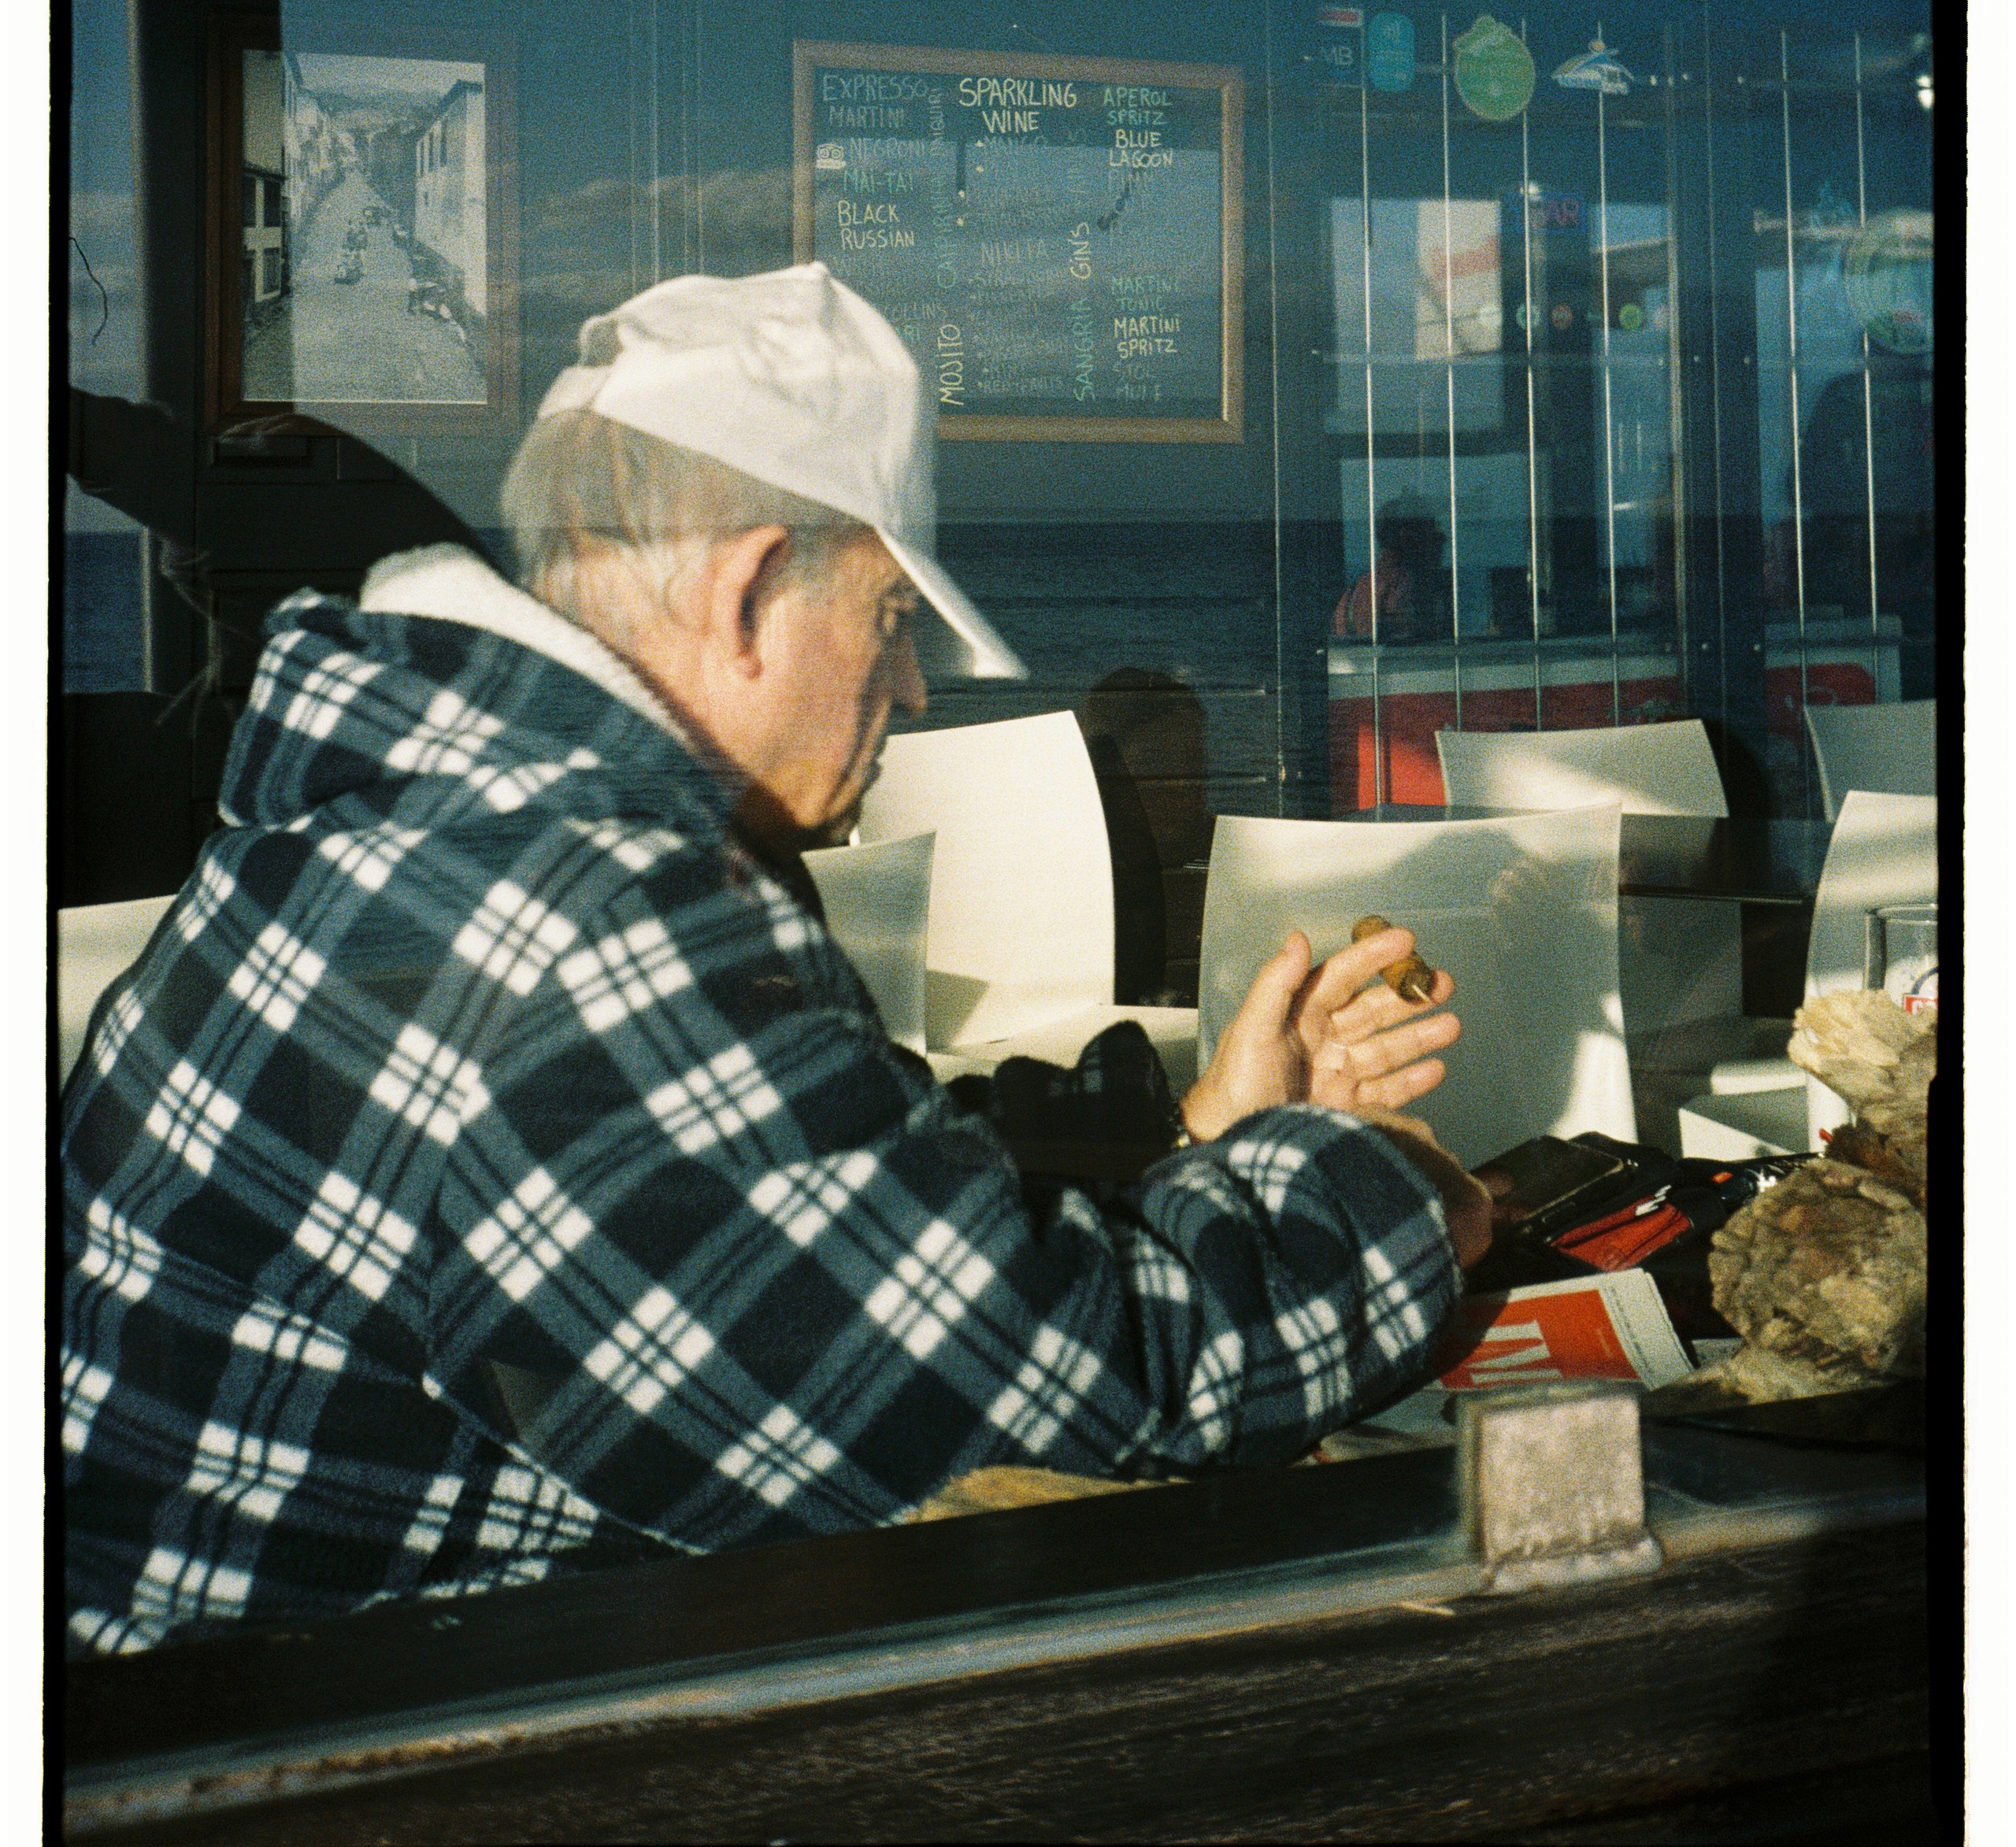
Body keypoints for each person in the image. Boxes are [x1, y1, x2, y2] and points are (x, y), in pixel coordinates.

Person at [63, 264, 1490, 1654]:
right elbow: (1056, 1399)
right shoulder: (583, 917)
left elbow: (800, 1175)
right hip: (337, 1770)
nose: (912, 687)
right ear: (750, 591)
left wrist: (1205, 1126)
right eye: (891, 618)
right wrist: (1392, 1194)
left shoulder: (409, 824)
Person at [1335, 498, 1454, 642]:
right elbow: (1415, 648)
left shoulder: (1353, 592)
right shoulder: (1406, 587)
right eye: (1431, 532)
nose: (1442, 539)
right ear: (1407, 537)